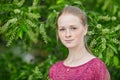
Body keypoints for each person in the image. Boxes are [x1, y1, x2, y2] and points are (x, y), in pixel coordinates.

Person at [49, 6, 110, 80]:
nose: (67, 34)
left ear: (85, 29)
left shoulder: (96, 66)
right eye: (62, 29)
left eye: (73, 28)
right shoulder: (54, 70)